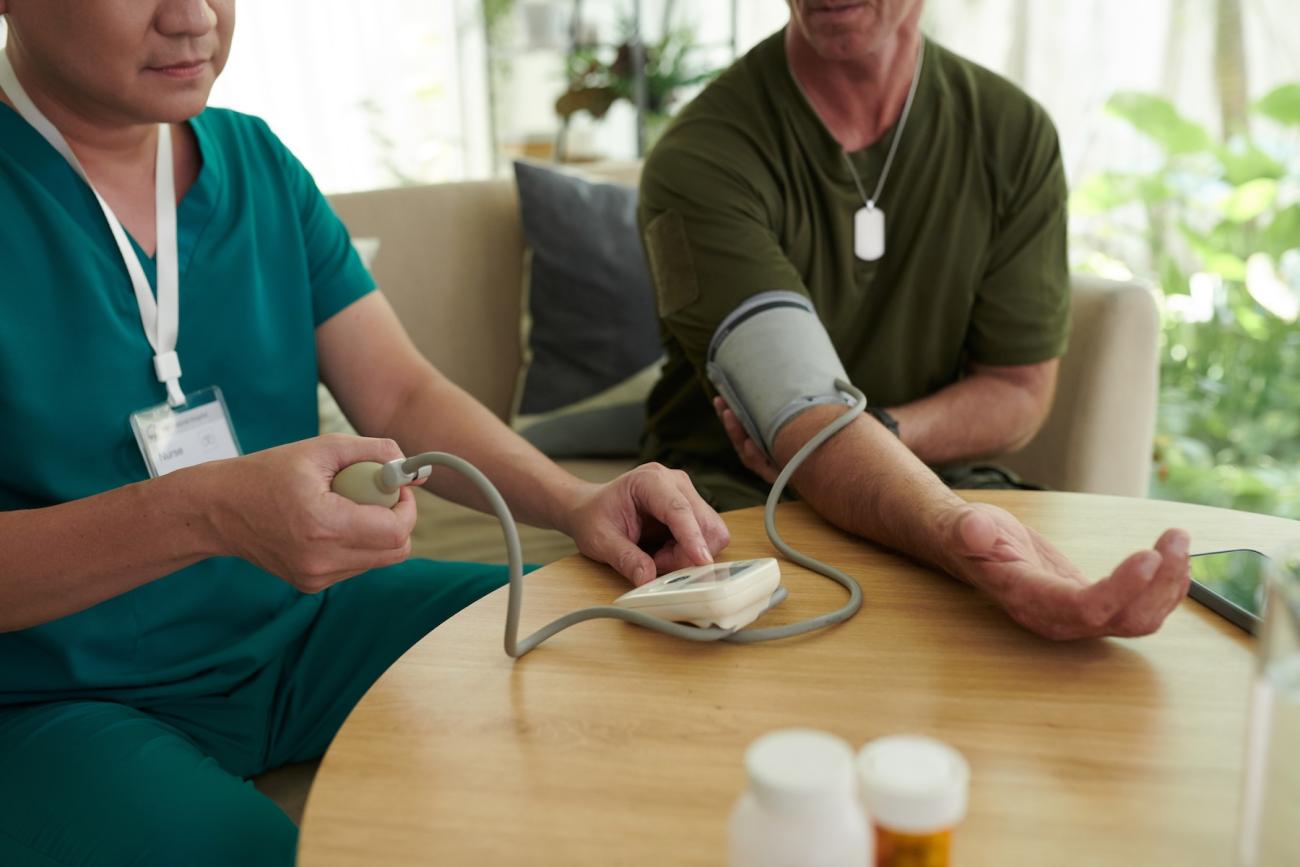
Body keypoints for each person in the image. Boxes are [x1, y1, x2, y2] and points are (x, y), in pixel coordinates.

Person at [0, 2, 729, 865]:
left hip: (300, 633)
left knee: (609, 634)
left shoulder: (259, 163)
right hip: (50, 697)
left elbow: (401, 391)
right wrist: (208, 514)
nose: (193, 17)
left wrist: (577, 503)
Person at [638, 0, 1191, 641]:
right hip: (733, 495)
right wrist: (957, 534)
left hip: (942, 479)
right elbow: (804, 417)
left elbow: (1018, 391)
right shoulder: (700, 155)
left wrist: (891, 436)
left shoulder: (1011, 134)